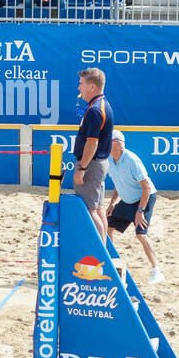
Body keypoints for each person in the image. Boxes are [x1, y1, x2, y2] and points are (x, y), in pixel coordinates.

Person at [105, 130, 163, 283]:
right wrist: (112, 203)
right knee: (106, 227)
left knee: (140, 235)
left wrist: (140, 211)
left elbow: (146, 188)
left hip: (145, 198)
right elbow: (119, 183)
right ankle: (113, 262)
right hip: (127, 200)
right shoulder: (110, 160)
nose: (105, 143)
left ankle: (157, 271)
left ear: (118, 143)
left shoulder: (131, 160)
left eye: (108, 140)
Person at [74, 68, 115, 237]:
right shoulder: (102, 105)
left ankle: (100, 253)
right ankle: (103, 250)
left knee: (89, 210)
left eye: (81, 84)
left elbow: (92, 143)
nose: (79, 88)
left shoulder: (95, 110)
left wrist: (82, 168)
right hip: (99, 163)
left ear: (92, 87)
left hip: (92, 164)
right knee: (98, 208)